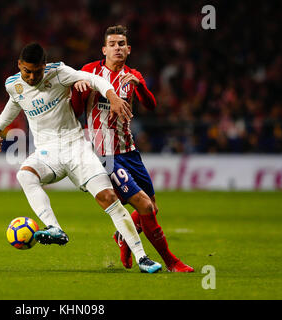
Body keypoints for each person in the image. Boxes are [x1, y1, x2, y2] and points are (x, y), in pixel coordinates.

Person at [0, 42, 162, 273]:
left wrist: (112, 96)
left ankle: (142, 258)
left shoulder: (59, 73)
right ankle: (54, 228)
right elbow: (15, 102)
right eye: (26, 71)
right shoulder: (14, 85)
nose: (31, 77)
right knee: (25, 175)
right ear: (19, 65)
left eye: (37, 72)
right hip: (47, 153)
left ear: (44, 66)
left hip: (76, 147)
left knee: (109, 197)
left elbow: (95, 80)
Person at [71, 26, 194, 272]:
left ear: (128, 49)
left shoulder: (132, 74)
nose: (118, 47)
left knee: (152, 206)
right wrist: (77, 89)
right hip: (104, 154)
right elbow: (75, 110)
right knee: (144, 206)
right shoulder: (90, 72)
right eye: (113, 44)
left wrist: (140, 85)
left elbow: (151, 104)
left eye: (122, 43)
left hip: (129, 150)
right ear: (104, 49)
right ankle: (171, 262)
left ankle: (122, 238)